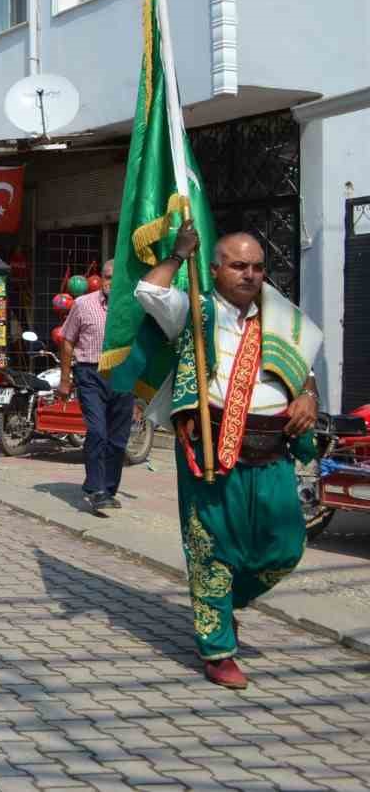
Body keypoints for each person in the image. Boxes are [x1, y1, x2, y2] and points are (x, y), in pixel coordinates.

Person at [133, 225, 321, 690]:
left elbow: (304, 370)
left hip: (272, 447)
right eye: (239, 265)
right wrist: (179, 255)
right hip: (211, 448)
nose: (250, 274)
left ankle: (217, 604)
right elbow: (147, 291)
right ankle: (217, 648)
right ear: (215, 269)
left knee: (285, 546)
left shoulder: (281, 317)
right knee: (211, 550)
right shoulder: (194, 308)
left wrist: (310, 395)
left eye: (257, 266)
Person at [58, 259, 134, 516]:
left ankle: (109, 489)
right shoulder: (83, 304)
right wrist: (65, 379)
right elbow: (68, 341)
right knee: (98, 431)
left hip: (122, 374)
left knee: (119, 438)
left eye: (117, 277)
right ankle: (95, 488)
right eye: (108, 277)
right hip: (90, 373)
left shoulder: (132, 306)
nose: (112, 282)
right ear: (100, 279)